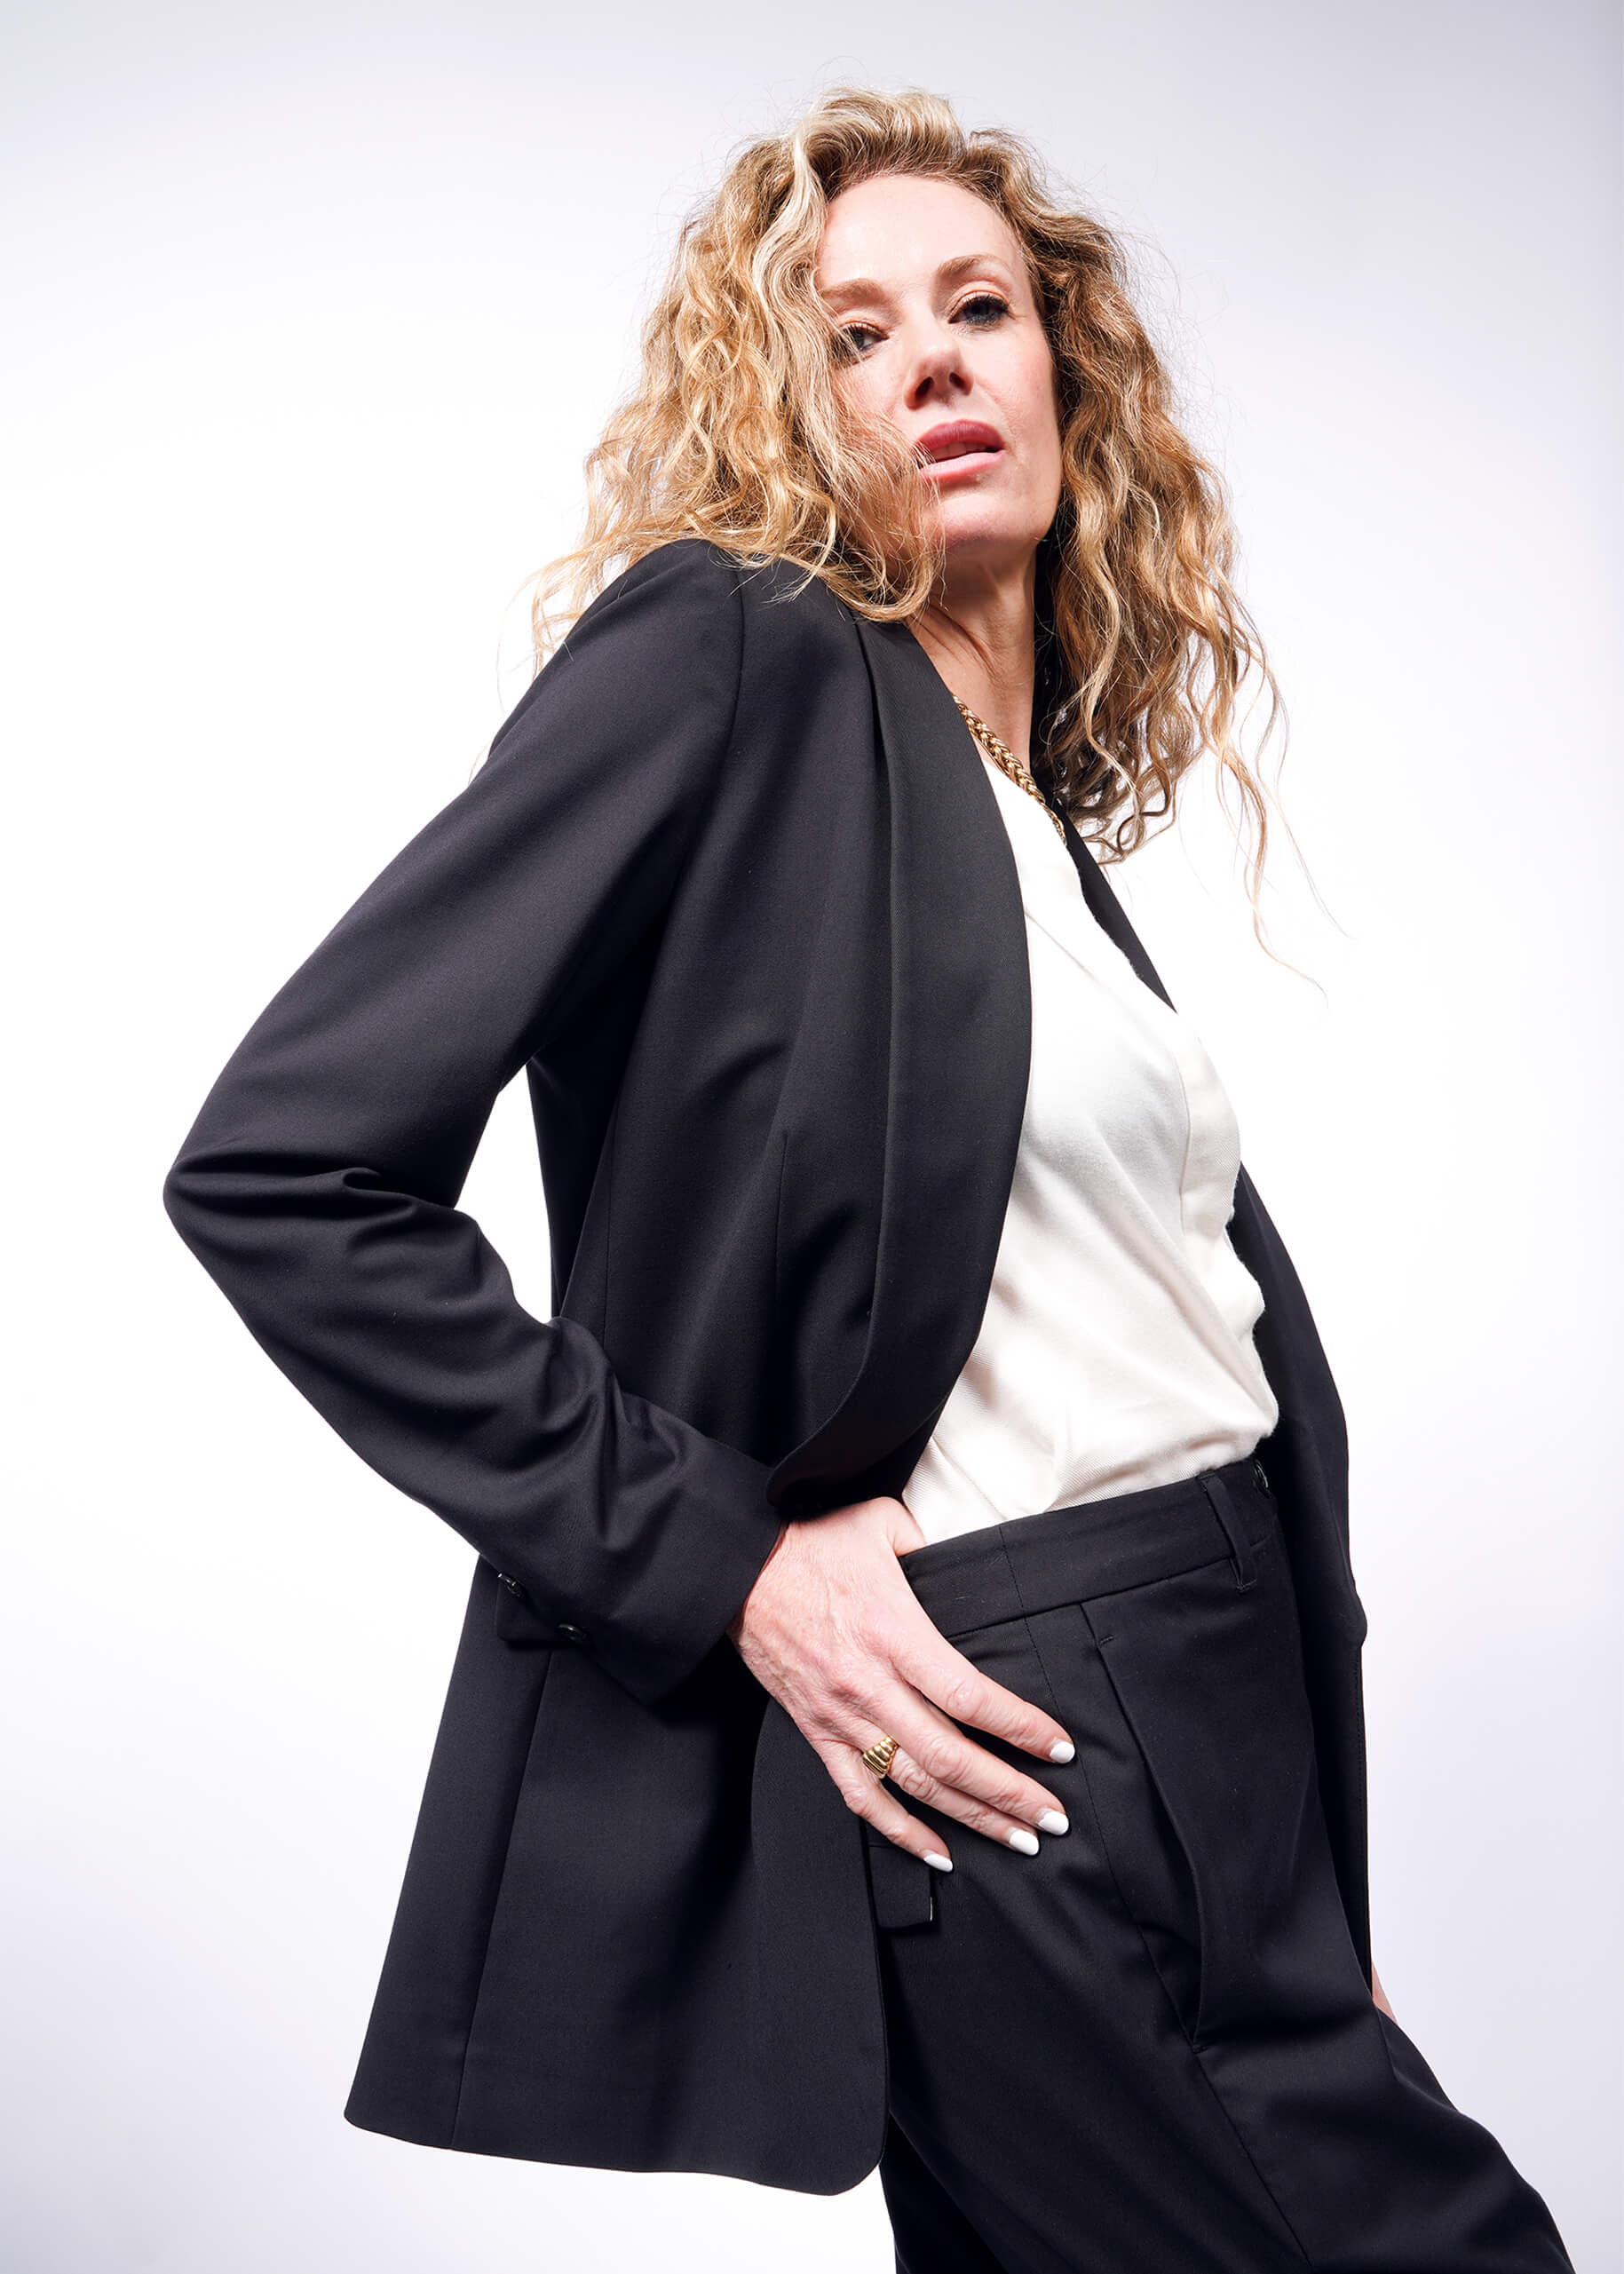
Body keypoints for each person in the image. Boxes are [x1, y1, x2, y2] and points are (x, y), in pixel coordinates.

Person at [162, 83, 1574, 2273]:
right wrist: (726, 1561)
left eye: (980, 307)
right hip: (1037, 1731)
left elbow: (1170, 1331)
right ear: (787, 408)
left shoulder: (1012, 810)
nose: (929, 359)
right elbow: (285, 1168)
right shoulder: (737, 652)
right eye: (852, 334)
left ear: (1063, 374)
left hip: (1218, 1749)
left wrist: (1319, 1902)